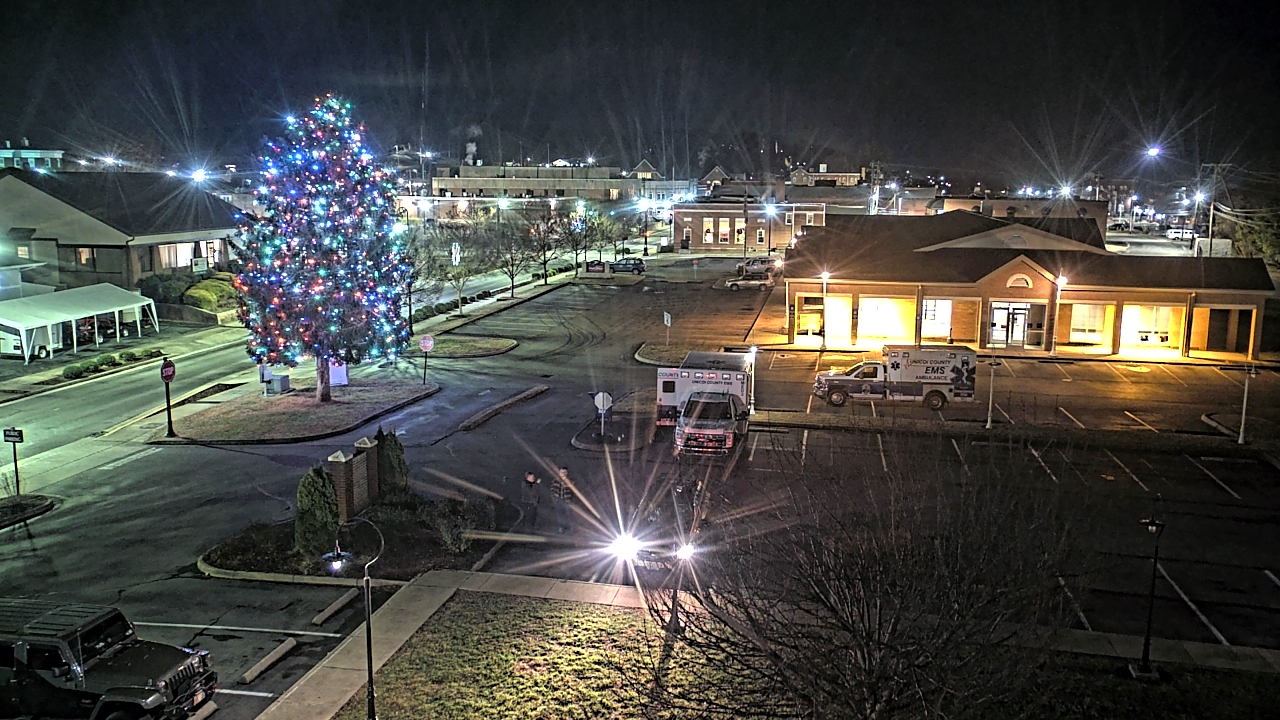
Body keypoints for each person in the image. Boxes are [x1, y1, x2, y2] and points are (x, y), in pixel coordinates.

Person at [549, 467, 574, 534]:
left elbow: (572, 491)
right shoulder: (555, 480)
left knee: (569, 514)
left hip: (566, 500)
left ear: (566, 473)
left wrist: (570, 500)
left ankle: (570, 527)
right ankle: (561, 527)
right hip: (558, 499)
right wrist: (554, 499)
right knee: (560, 514)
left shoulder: (569, 481)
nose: (562, 473)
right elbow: (552, 490)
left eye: (564, 472)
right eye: (561, 472)